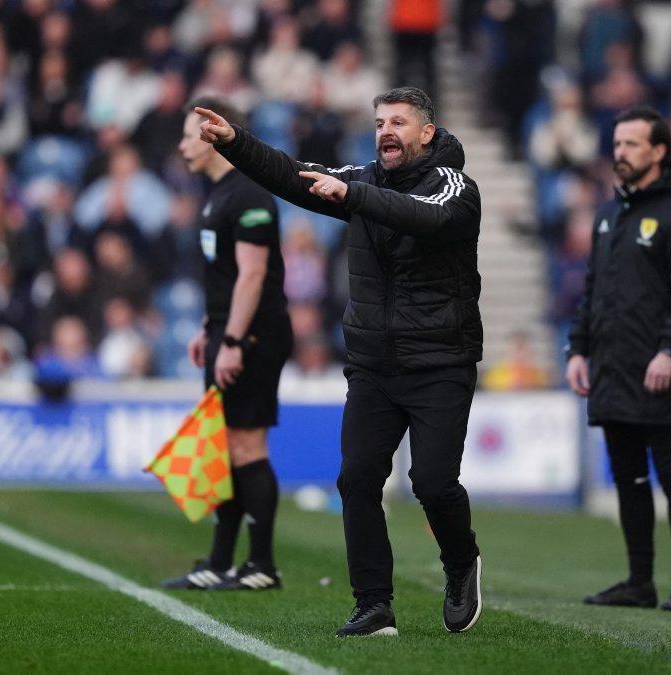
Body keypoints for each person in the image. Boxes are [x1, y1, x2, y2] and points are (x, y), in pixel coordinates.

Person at [192, 86, 483, 636]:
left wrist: (352, 196)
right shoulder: (364, 180)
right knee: (356, 479)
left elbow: (425, 219)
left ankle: (461, 560)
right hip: (373, 365)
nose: (385, 132)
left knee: (433, 484)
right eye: (379, 123)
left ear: (426, 133)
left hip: (440, 362)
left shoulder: (454, 186)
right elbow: (291, 175)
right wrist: (235, 142)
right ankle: (373, 604)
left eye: (398, 122)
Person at [564, 105, 671, 612]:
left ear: (659, 151)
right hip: (611, 368)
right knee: (627, 477)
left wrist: (669, 350)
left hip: (659, 371)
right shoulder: (608, 215)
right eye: (617, 144)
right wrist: (577, 348)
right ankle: (639, 581)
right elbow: (593, 291)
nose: (620, 152)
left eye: (631, 144)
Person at [162, 96, 293, 592]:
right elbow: (224, 276)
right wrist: (209, 327)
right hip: (227, 331)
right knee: (224, 446)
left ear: (213, 134)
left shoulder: (250, 196)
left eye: (187, 135)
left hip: (253, 335)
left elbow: (253, 275)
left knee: (246, 444)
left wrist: (234, 339)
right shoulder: (217, 195)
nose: (182, 145)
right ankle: (219, 561)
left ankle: (262, 565)